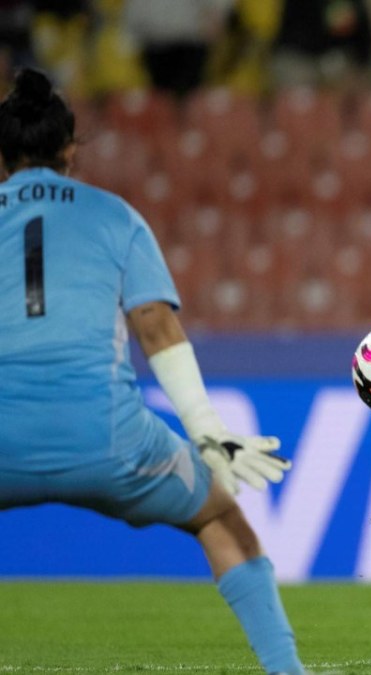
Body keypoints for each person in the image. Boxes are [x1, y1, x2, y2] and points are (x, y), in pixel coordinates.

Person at [0, 69, 305, 674]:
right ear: (68, 150)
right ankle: (286, 672)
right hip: (108, 440)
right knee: (219, 516)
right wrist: (205, 428)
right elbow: (156, 328)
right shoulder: (115, 216)